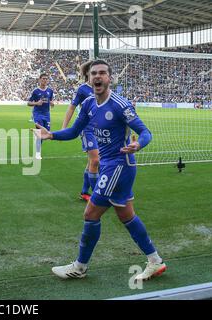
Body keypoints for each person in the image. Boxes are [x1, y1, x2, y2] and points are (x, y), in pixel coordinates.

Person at [34, 60, 166, 281]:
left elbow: (145, 132)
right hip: (110, 165)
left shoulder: (120, 105)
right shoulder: (88, 104)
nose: (98, 76)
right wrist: (51, 135)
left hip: (119, 165)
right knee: (126, 215)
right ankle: (155, 261)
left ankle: (80, 267)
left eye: (102, 73)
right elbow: (75, 131)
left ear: (109, 78)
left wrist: (138, 144)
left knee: (91, 213)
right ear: (89, 79)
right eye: (94, 73)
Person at [62, 61, 98, 202]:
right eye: (93, 71)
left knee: (92, 162)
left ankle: (84, 192)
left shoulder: (102, 88)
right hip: (86, 128)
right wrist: (64, 127)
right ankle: (97, 195)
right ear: (88, 73)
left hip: (99, 128)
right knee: (95, 160)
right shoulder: (83, 89)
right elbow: (72, 107)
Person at [28, 73, 54, 160]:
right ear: (39, 80)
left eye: (46, 79)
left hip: (47, 114)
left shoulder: (50, 91)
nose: (45, 80)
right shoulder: (35, 91)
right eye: (43, 79)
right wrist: (36, 103)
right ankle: (38, 153)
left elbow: (50, 100)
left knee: (46, 133)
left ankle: (37, 140)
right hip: (38, 114)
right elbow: (28, 103)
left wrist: (52, 103)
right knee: (40, 132)